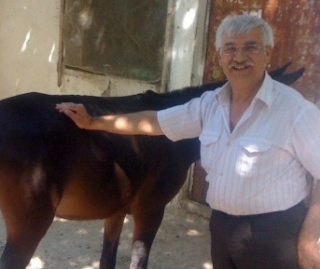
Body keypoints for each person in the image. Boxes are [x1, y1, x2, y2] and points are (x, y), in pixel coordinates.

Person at [56, 14, 320, 269]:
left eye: (250, 48)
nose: (239, 57)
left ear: (268, 53)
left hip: (274, 235)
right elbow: (153, 122)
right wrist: (93, 122)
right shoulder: (210, 105)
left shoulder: (295, 111)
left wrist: (309, 240)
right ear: (220, 56)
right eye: (230, 49)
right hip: (222, 229)